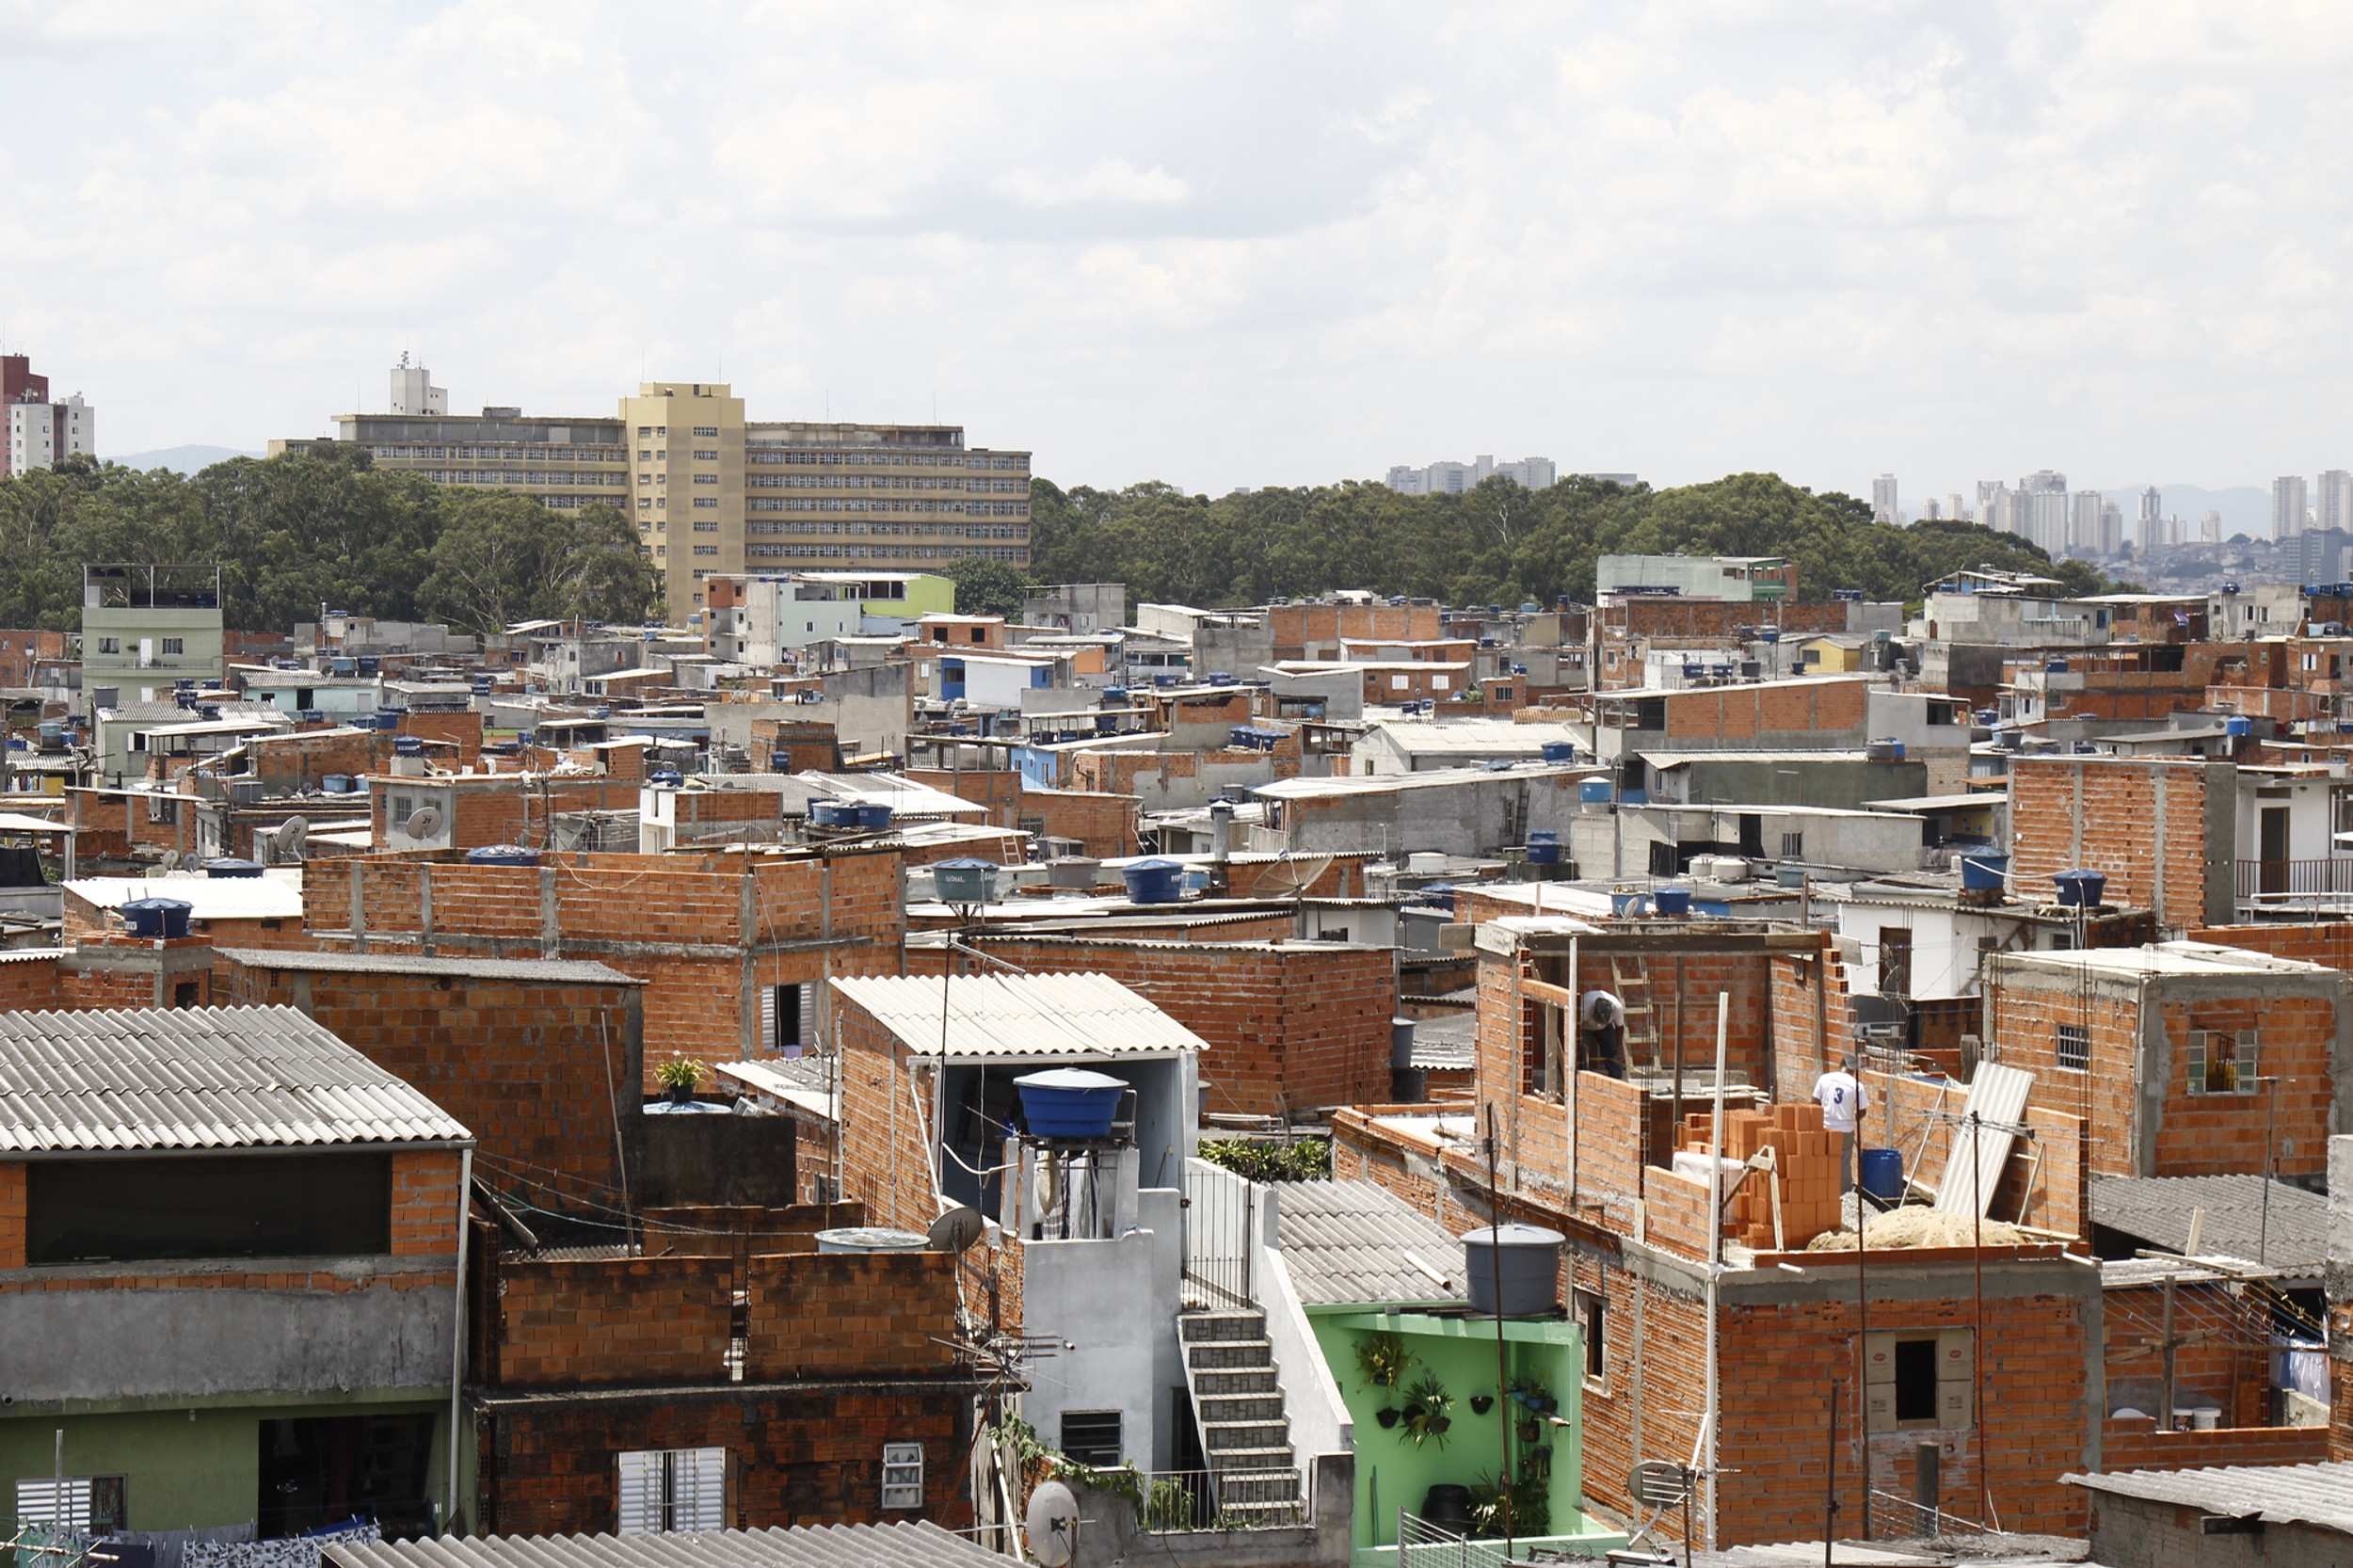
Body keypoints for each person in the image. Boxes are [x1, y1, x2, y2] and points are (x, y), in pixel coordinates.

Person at [1814, 1055, 1868, 1192]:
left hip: (1824, 1128)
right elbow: (1863, 1111)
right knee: (1843, 1164)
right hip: (1845, 1131)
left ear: (1840, 1065)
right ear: (1854, 1071)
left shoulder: (1825, 1078)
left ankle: (1822, 1192)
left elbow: (1814, 1102)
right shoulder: (1857, 1086)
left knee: (1823, 1160)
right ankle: (1843, 1195)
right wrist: (1853, 1117)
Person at [1579, 988, 1627, 1080]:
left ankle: (1616, 1075)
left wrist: (1619, 1044)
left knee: (1611, 1048)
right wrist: (1580, 1041)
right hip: (1585, 1027)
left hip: (1605, 1027)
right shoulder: (1584, 1007)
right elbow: (1577, 1026)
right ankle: (1582, 1074)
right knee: (1583, 1049)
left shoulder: (1617, 1008)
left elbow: (1620, 1026)